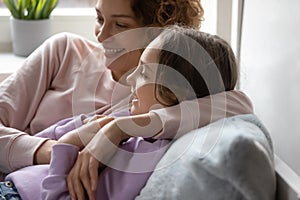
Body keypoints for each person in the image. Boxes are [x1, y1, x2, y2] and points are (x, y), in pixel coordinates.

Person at [5, 25, 250, 200]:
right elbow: (64, 131)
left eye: (143, 72)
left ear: (175, 91)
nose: (131, 78)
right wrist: (81, 130)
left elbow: (240, 103)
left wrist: (69, 143)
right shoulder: (136, 118)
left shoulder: (148, 156)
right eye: (100, 19)